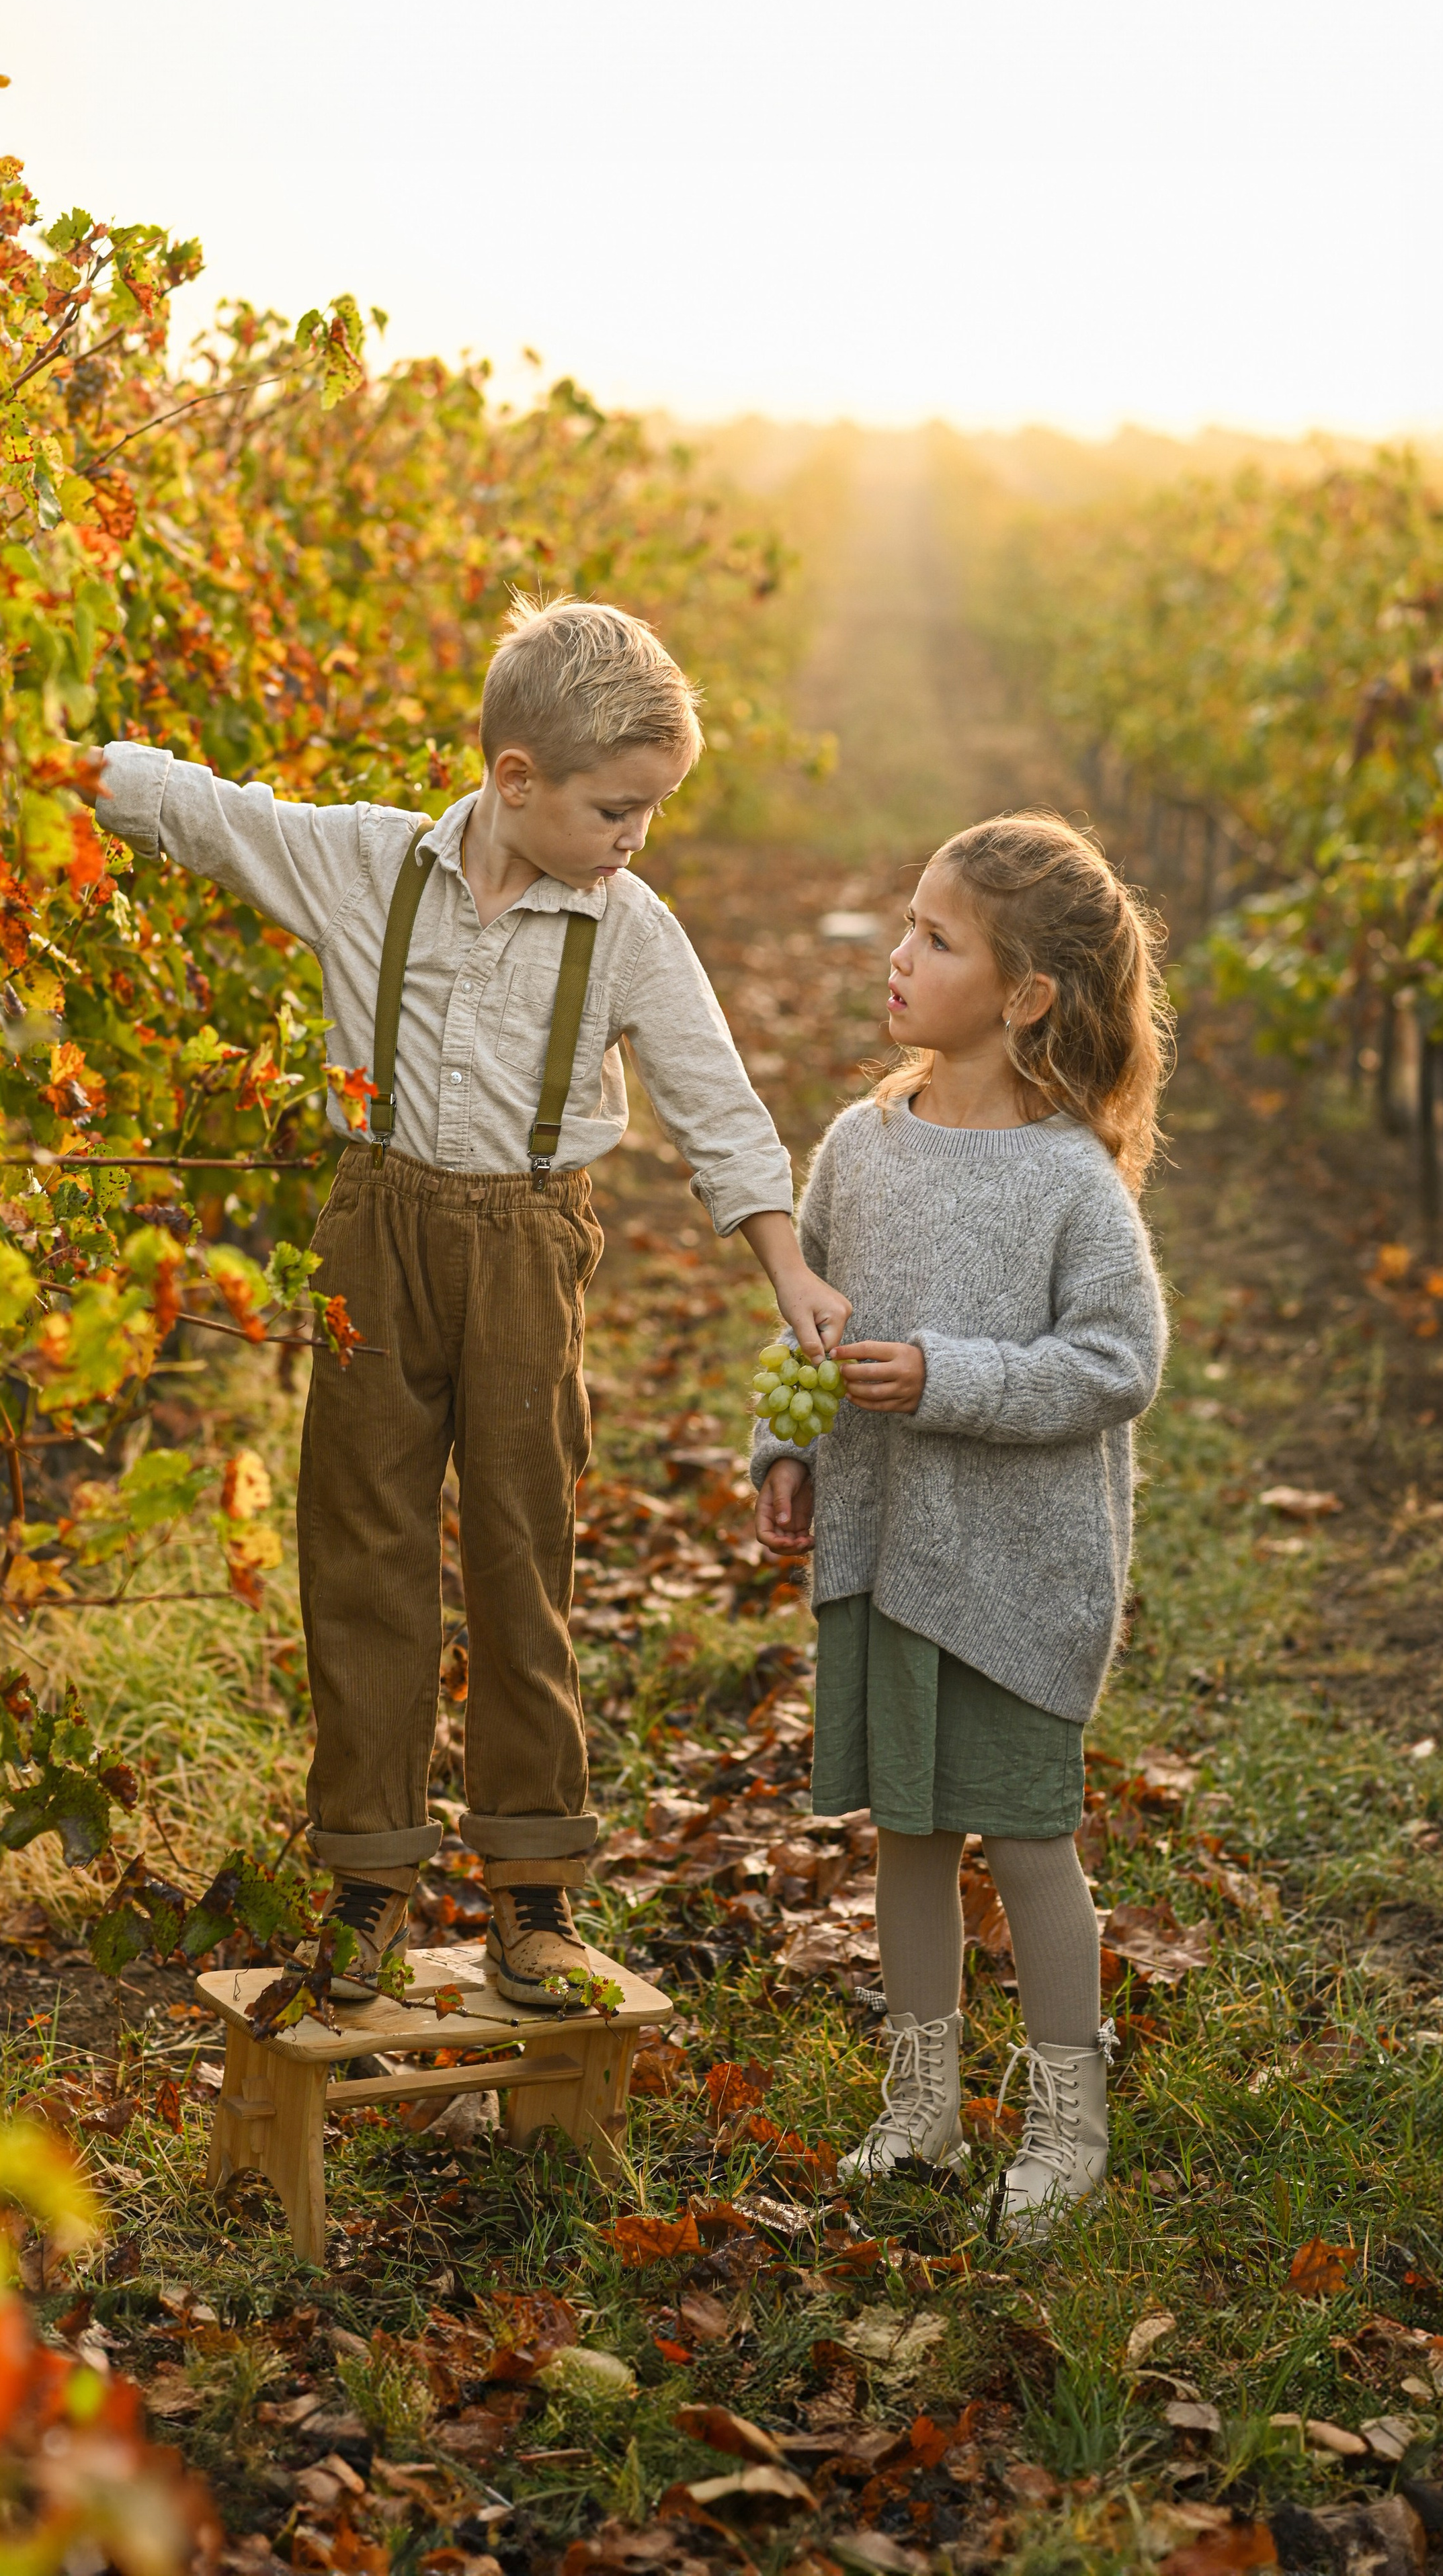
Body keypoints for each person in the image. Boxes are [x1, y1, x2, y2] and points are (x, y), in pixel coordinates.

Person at [89, 597, 850, 2005]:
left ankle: (533, 1888)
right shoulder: (369, 864)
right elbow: (210, 814)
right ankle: (370, 1878)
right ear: (514, 780)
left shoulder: (627, 927)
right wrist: (56, 766)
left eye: (652, 812)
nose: (638, 837)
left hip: (525, 1251)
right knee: (361, 1545)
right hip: (374, 1230)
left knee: (522, 1547)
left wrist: (785, 1266)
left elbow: (714, 1105)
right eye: (617, 809)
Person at [753, 812, 1168, 2237]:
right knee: (909, 1841)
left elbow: (1118, 1362)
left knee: (1026, 1840)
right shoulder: (860, 1147)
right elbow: (802, 1319)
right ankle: (920, 2102)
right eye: (905, 924)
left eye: (937, 938)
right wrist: (787, 1448)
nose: (898, 954)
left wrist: (949, 1378)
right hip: (883, 1549)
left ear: (1024, 993)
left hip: (1013, 1567)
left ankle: (1066, 2117)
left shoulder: (1064, 1178)